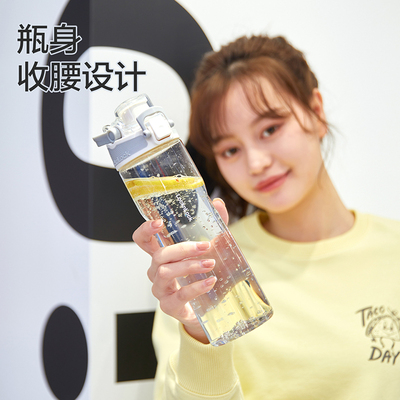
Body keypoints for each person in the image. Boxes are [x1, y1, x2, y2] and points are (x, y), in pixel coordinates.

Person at [133, 35, 400, 399]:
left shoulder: (393, 250)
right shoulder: (202, 271)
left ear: (316, 112)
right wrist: (201, 333)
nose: (256, 163)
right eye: (231, 150)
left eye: (270, 129)